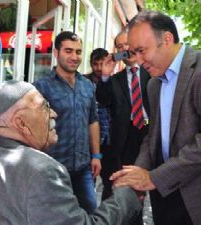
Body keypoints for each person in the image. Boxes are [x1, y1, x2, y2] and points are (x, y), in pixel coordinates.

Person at [110, 10, 201, 225]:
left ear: (167, 39)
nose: (137, 60)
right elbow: (153, 137)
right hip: (168, 194)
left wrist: (152, 178)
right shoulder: (153, 84)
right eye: (133, 53)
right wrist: (136, 175)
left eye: (141, 51)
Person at [0, 80, 143, 225]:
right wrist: (126, 195)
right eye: (44, 107)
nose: (54, 114)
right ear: (21, 123)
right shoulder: (41, 171)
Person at [33, 31, 101, 213]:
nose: (74, 57)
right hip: (53, 169)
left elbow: (93, 120)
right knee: (54, 217)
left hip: (83, 168)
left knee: (90, 214)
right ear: (56, 53)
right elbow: (34, 128)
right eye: (68, 51)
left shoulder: (87, 85)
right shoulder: (41, 87)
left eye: (78, 52)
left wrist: (96, 155)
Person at [96, 28, 151, 225]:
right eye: (119, 47)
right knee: (123, 187)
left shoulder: (151, 72)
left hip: (148, 133)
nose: (124, 49)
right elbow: (102, 100)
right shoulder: (114, 80)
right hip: (123, 142)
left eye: (126, 44)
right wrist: (104, 75)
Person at [85, 48, 117, 200]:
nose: (98, 68)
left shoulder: (116, 82)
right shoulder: (83, 82)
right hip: (89, 140)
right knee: (87, 181)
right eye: (95, 64)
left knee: (110, 182)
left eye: (102, 64)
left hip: (109, 140)